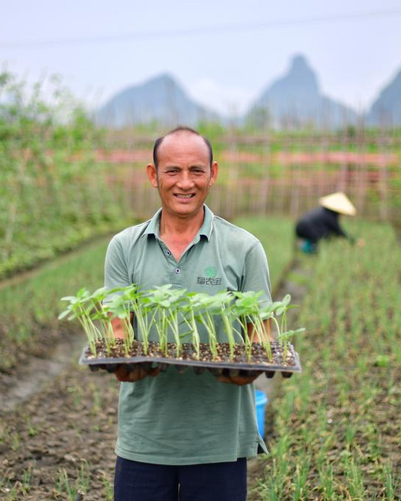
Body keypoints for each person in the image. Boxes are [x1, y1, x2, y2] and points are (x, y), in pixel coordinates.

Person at [104, 126, 271, 501]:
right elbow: (118, 331)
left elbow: (262, 331)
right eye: (172, 171)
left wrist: (251, 365)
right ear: (153, 176)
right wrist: (122, 362)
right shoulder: (124, 247)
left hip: (219, 439)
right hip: (144, 439)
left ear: (213, 173)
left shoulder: (244, 248)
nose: (185, 183)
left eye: (196, 170)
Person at [295, 192, 364, 254]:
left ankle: (302, 246)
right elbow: (338, 231)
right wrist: (352, 240)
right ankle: (304, 249)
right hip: (307, 228)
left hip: (299, 226)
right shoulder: (330, 216)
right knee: (315, 247)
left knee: (324, 237)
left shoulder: (323, 210)